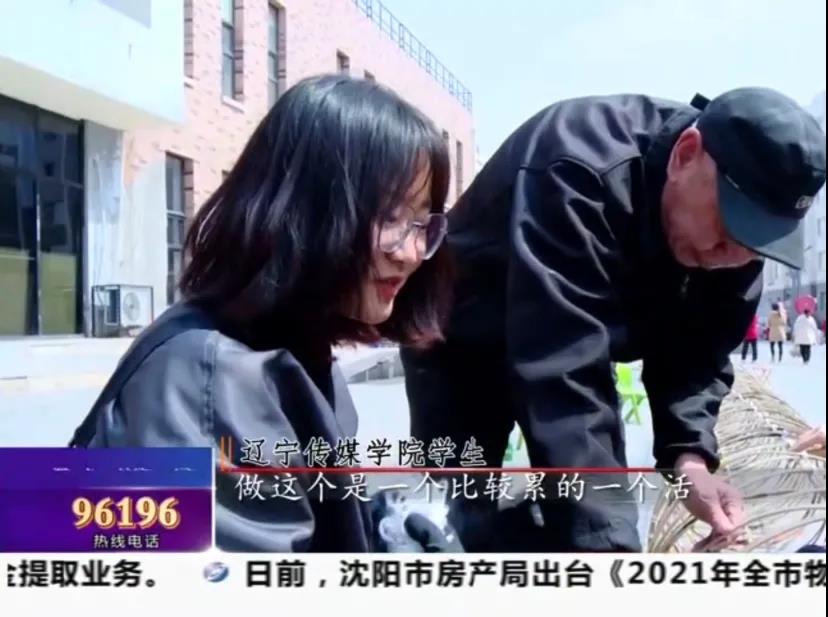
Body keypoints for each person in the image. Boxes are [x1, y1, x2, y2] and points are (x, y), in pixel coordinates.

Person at [401, 87, 826, 552]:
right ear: (685, 154)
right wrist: (615, 555)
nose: (732, 258)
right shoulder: (577, 165)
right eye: (728, 232)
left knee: (566, 520)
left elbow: (699, 352)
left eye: (755, 247)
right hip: (465, 338)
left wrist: (690, 459)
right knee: (461, 508)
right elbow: (565, 371)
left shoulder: (737, 240)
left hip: (566, 340)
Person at [68, 75, 454, 552]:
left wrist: (382, 528)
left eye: (421, 223)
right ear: (307, 209)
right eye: (391, 217)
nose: (412, 253)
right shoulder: (210, 382)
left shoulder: (290, 342)